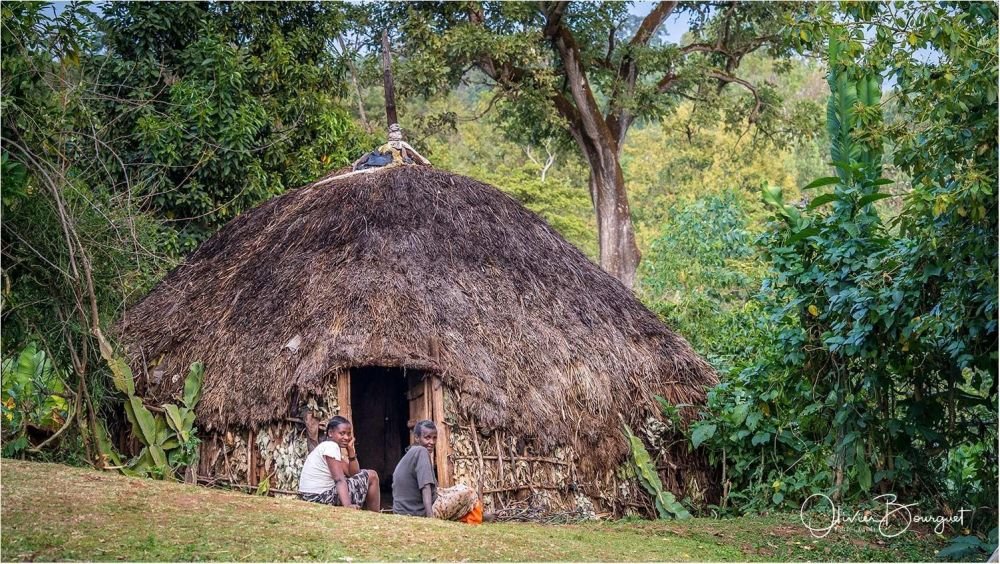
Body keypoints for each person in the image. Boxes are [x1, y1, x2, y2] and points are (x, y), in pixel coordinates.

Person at [392, 419, 484, 522]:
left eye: (434, 438)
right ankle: (477, 517)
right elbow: (425, 487)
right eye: (427, 438)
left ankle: (477, 515)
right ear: (417, 438)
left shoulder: (411, 452)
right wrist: (430, 519)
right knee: (469, 492)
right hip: (417, 513)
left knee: (455, 488)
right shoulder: (421, 451)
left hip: (403, 511)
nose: (431, 442)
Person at [298, 415, 380, 511]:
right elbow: (339, 479)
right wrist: (348, 506)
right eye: (342, 433)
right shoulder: (331, 447)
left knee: (367, 475)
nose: (346, 437)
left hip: (311, 496)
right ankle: (375, 515)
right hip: (319, 498)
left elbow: (353, 473)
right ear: (330, 433)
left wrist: (351, 452)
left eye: (349, 434)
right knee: (372, 476)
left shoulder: (327, 447)